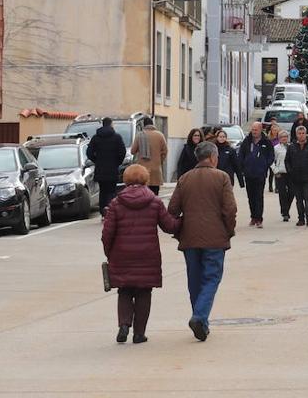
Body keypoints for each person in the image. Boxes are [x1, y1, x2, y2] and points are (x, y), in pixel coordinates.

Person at [101, 164, 179, 344]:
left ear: (126, 180)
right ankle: (139, 333)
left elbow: (107, 233)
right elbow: (169, 226)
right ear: (146, 179)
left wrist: (109, 253)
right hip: (147, 254)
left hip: (122, 254)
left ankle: (124, 324)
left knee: (125, 290)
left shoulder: (116, 203)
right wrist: (183, 221)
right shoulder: (154, 202)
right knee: (144, 291)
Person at [168, 141, 237, 342]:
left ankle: (201, 321)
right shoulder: (222, 177)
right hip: (215, 238)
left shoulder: (184, 178)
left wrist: (181, 227)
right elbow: (230, 209)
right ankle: (199, 317)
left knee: (195, 280)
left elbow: (172, 210)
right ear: (214, 157)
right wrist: (229, 231)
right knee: (211, 278)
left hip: (190, 238)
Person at [85, 117, 127, 216]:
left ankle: (103, 212)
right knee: (112, 191)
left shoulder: (96, 138)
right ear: (111, 124)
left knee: (103, 191)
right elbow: (122, 152)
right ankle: (112, 211)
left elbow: (89, 153)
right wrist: (117, 162)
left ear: (103, 124)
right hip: (112, 169)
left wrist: (97, 160)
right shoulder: (117, 137)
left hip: (100, 169)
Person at [237, 122, 274, 228]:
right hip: (248, 173)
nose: (254, 132)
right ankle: (253, 216)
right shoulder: (247, 141)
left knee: (258, 196)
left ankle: (259, 218)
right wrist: (243, 166)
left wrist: (265, 165)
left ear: (260, 130)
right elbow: (241, 155)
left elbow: (271, 156)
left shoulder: (266, 142)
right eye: (252, 129)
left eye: (256, 130)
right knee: (251, 197)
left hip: (260, 174)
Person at [284, 125, 308, 226]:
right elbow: (287, 161)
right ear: (296, 135)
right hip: (295, 178)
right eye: (299, 133)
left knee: (307, 199)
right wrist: (290, 171)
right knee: (298, 200)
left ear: (306, 134)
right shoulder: (291, 147)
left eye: (303, 133)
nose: (301, 135)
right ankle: (301, 219)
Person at [130, 117, 168, 195]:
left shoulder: (139, 135)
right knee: (154, 194)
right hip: (156, 170)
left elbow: (132, 151)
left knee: (143, 194)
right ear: (152, 124)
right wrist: (160, 161)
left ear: (144, 125)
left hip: (142, 171)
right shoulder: (160, 135)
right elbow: (165, 151)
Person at [272, 130, 292, 222]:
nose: (284, 138)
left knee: (292, 192)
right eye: (282, 137)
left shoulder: (292, 147)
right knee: (282, 193)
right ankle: (285, 213)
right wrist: (276, 171)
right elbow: (271, 161)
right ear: (279, 139)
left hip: (291, 173)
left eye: (286, 136)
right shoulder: (276, 148)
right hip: (280, 173)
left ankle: (286, 209)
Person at [266, 123, 281, 192]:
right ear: (271, 131)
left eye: (276, 130)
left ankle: (277, 187)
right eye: (273, 130)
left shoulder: (280, 138)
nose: (275, 131)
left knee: (277, 172)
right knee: (271, 173)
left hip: (278, 157)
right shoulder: (268, 139)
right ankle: (270, 186)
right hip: (270, 157)